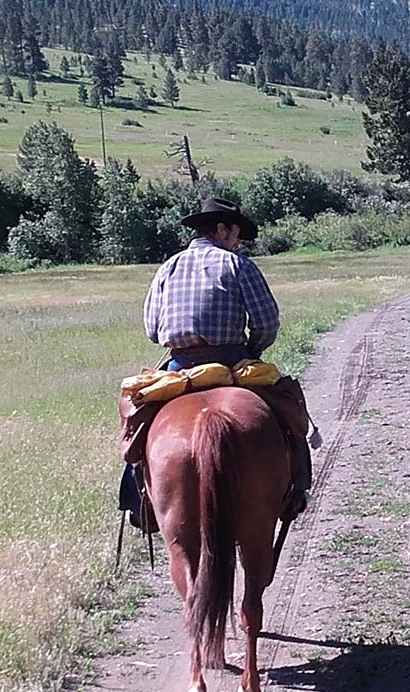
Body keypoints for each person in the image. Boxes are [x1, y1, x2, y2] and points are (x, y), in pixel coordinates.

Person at [119, 198, 312, 530]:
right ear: (221, 228)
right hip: (233, 362)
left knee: (139, 420)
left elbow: (152, 330)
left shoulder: (167, 267)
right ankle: (296, 487)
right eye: (235, 232)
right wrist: (252, 350)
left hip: (179, 368)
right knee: (288, 409)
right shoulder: (239, 265)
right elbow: (267, 322)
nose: (237, 241)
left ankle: (140, 500)